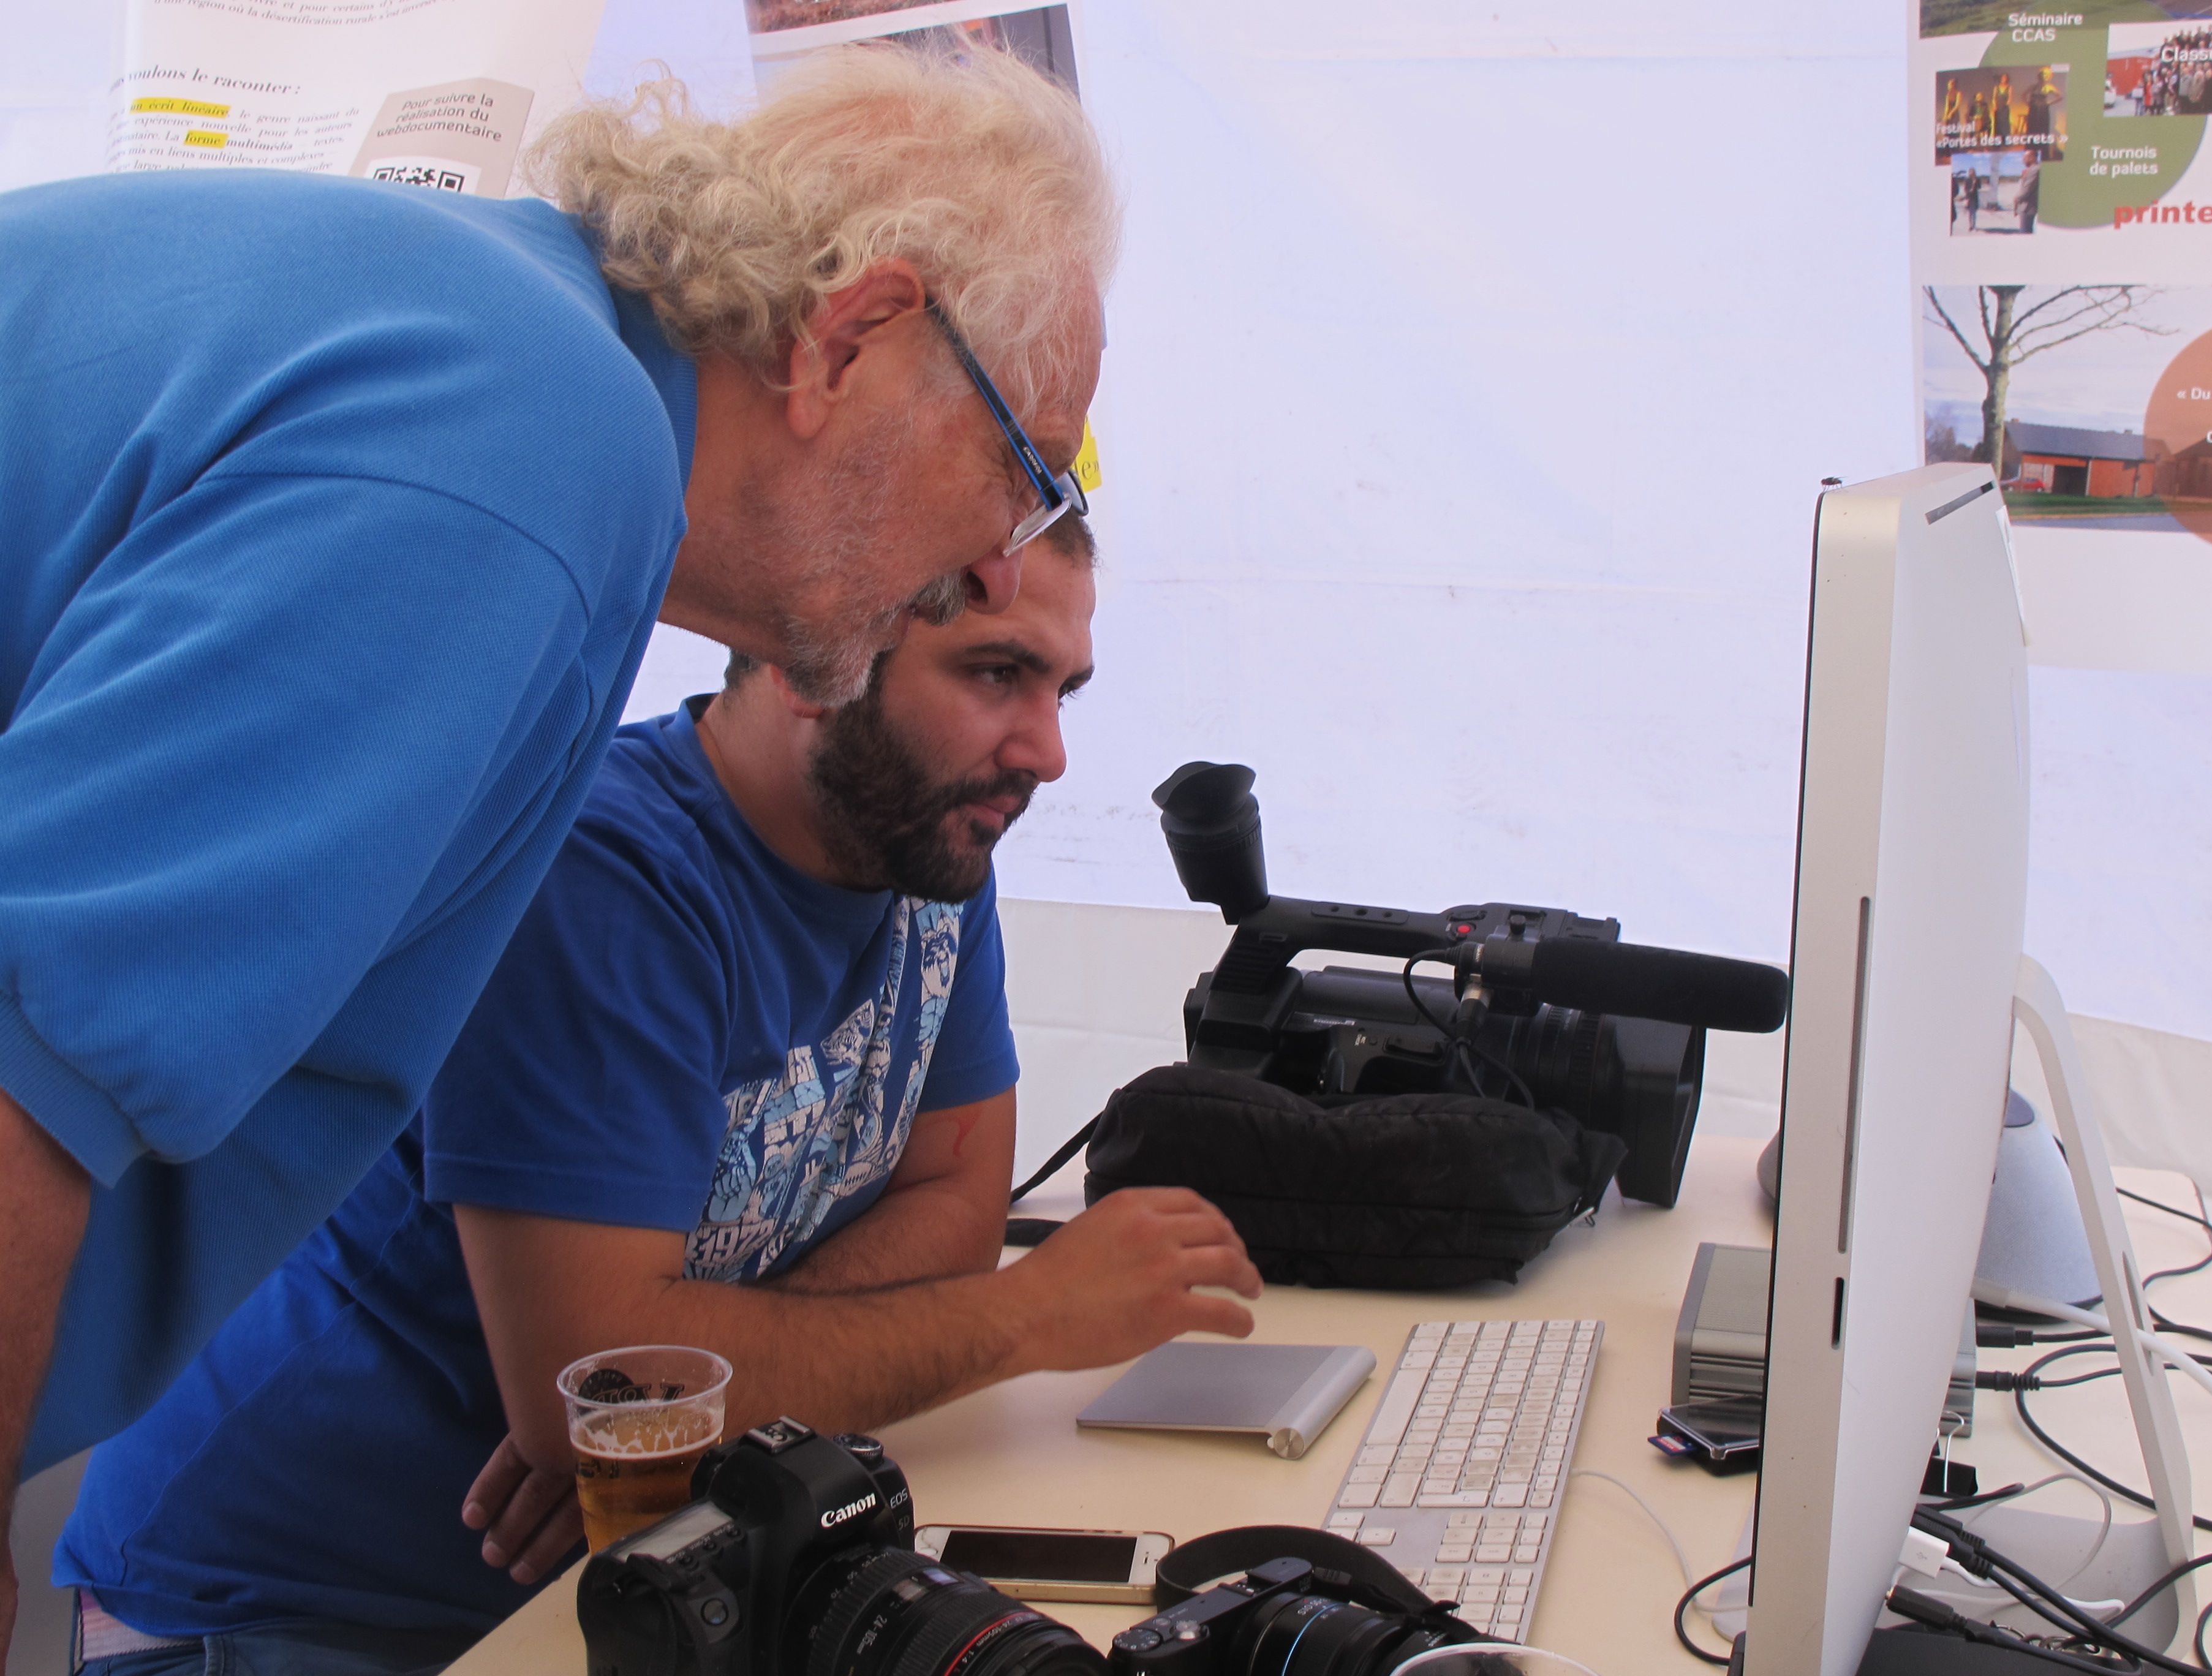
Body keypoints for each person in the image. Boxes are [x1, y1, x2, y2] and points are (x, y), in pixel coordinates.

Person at [0, 43, 1120, 1658]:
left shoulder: (539, 400)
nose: (993, 556)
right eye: (1028, 474)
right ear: (855, 340)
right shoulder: (526, 463)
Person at [55, 521, 1264, 1674]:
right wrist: (1025, 1315)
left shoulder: (930, 853)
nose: (1047, 751)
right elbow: (597, 1388)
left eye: (1065, 689)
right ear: (815, 648)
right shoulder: (601, 875)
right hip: (286, 1609)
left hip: (616, 1573)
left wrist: (696, 1397)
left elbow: (951, 1202)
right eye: (998, 673)